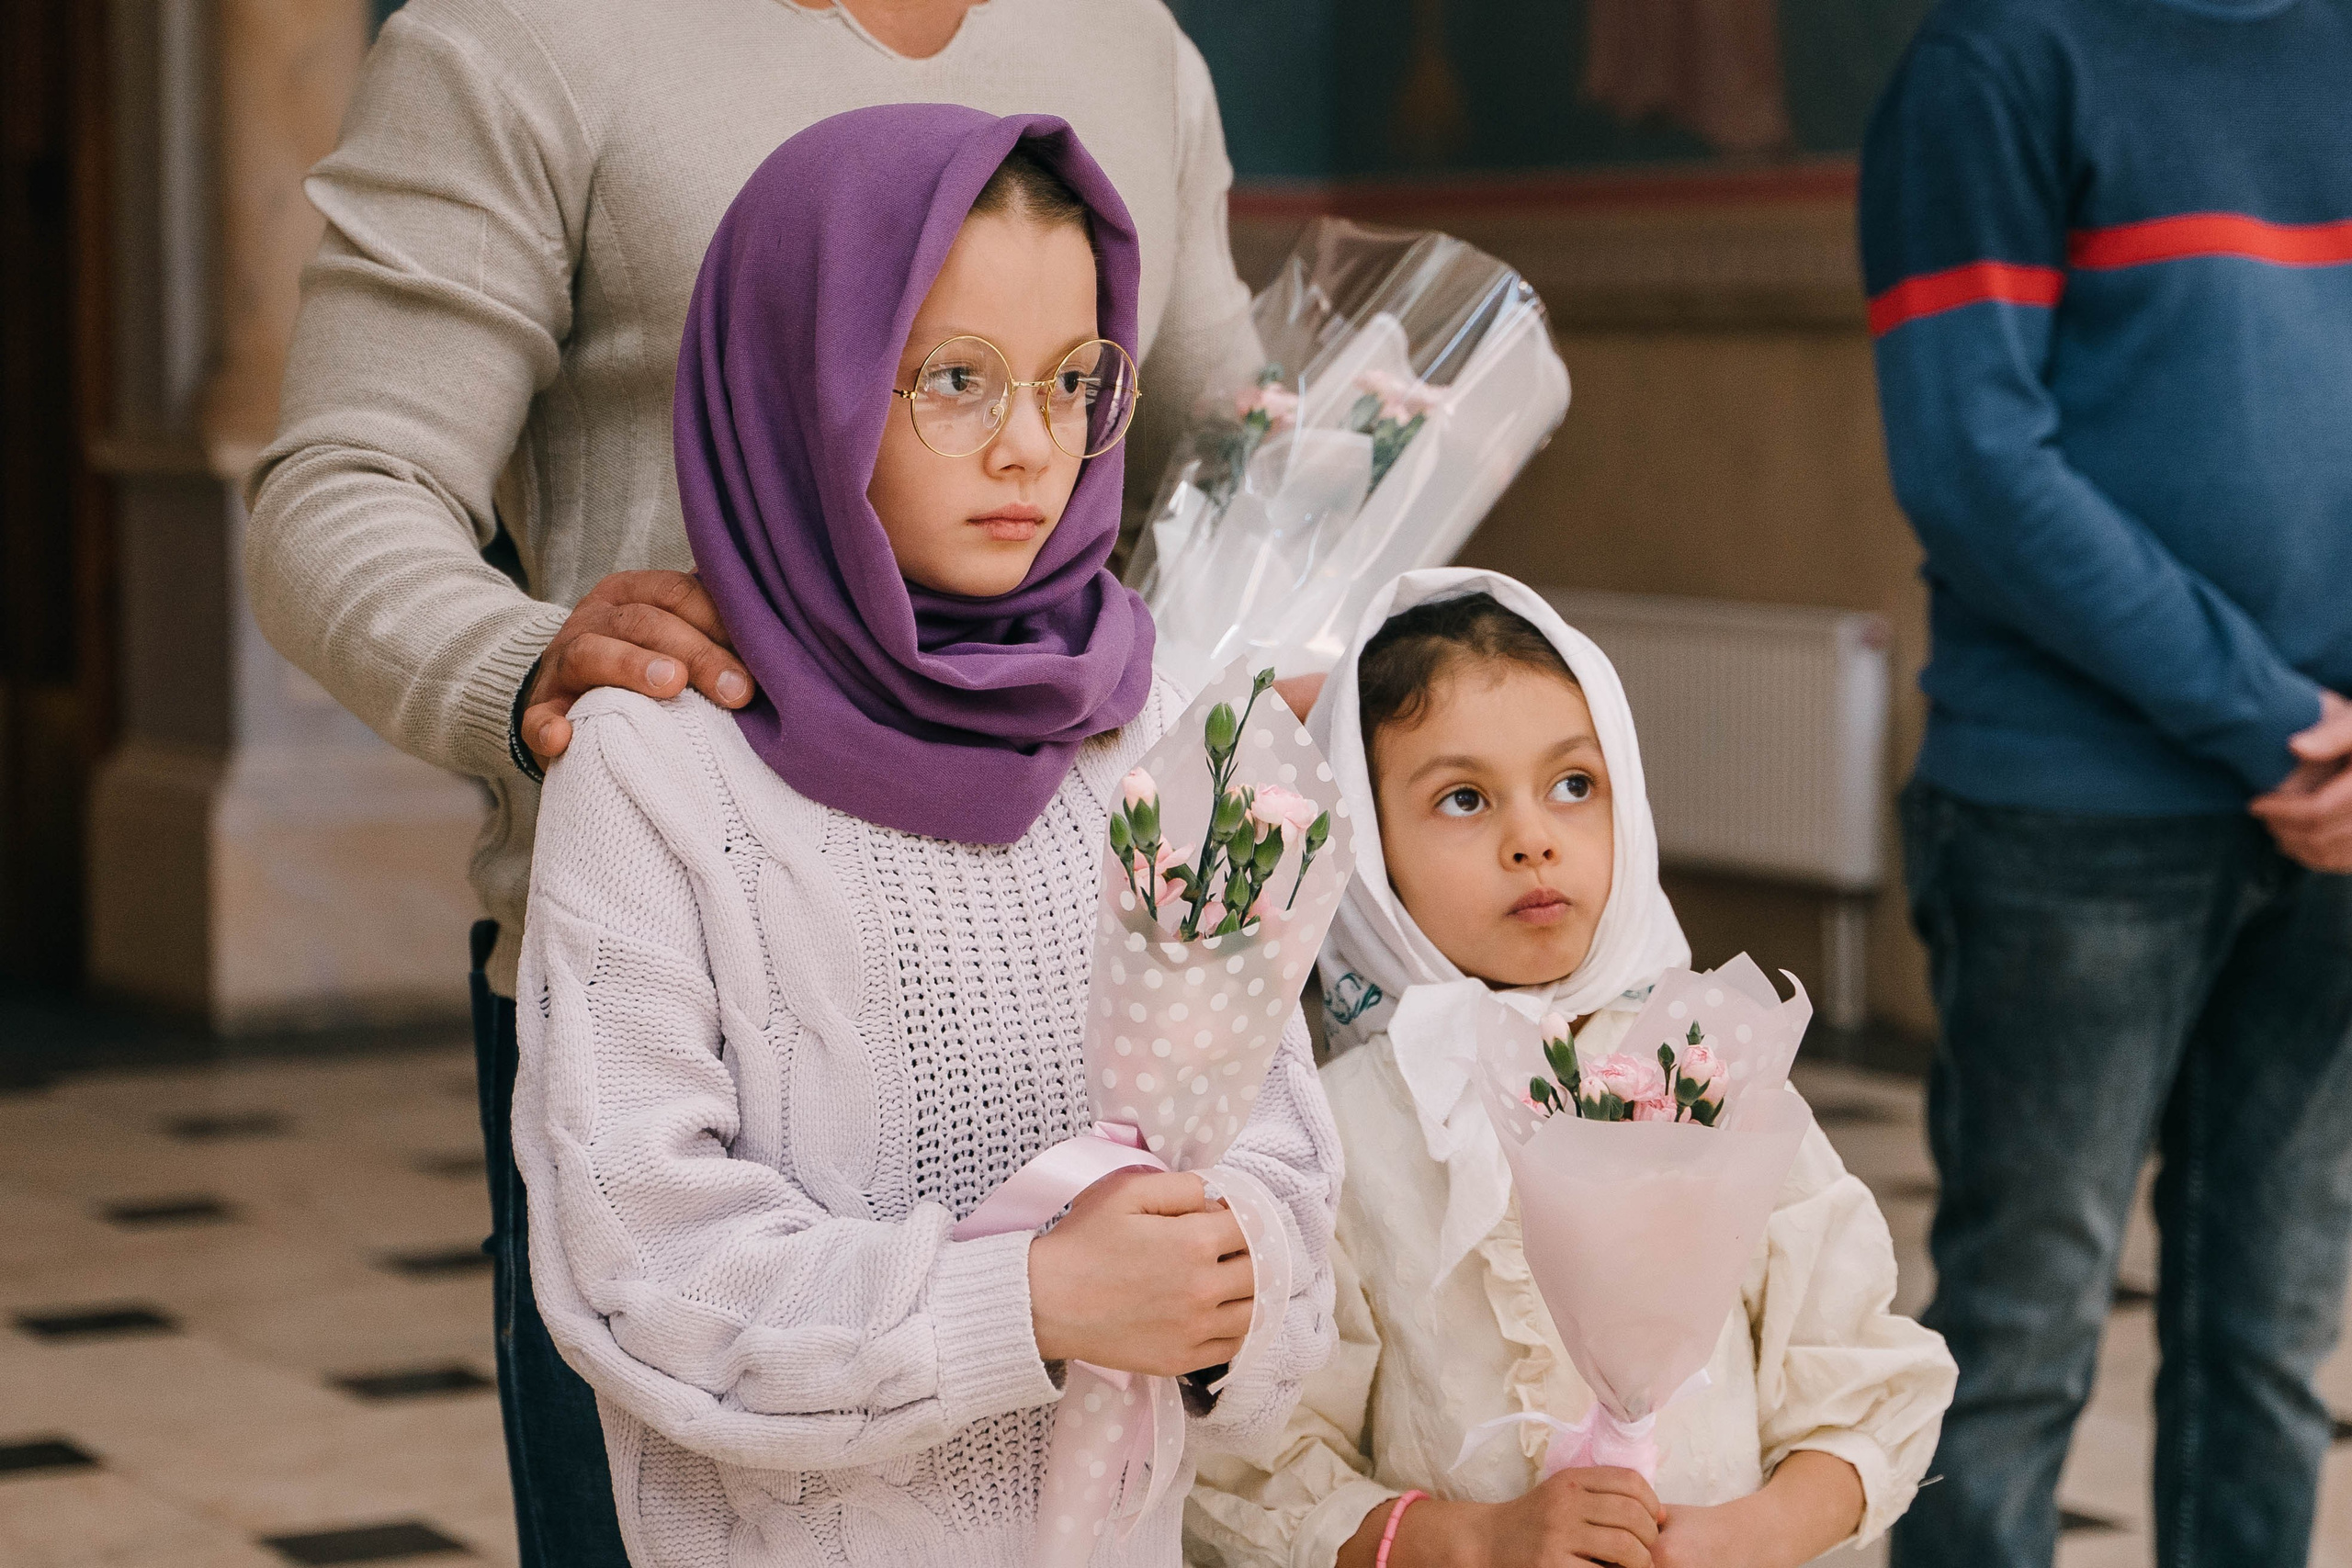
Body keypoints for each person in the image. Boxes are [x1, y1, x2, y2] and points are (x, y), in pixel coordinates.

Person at [242, 3, 1259, 1560]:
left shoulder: (1123, 39)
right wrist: (536, 667)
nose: (1024, 439)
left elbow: (1216, 445)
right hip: (699, 962)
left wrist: (1305, 611)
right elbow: (341, 487)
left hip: (1065, 957)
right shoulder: (522, 36)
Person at [507, 107, 1336, 1567]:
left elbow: (1288, 1171)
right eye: (958, 378)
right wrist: (1026, 1302)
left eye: (1076, 379)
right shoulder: (656, 772)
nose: (1033, 443)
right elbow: (643, 1260)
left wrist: (1229, 1270)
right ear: (800, 387)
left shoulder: (1151, 740)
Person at [1861, 2, 2352, 1562]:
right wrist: (2270, 721)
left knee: (2270, 1347)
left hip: (2339, 800)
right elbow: (1972, 461)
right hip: (2070, 809)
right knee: (2018, 1345)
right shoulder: (1998, 61)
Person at [1187, 571, 1953, 1568]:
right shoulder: (1330, 1136)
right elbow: (1250, 1472)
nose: (1533, 838)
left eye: (1573, 786)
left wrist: (1742, 1536)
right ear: (1369, 853)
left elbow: (1861, 1381)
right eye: (1462, 799)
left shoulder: (1711, 1073)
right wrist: (1479, 1542)